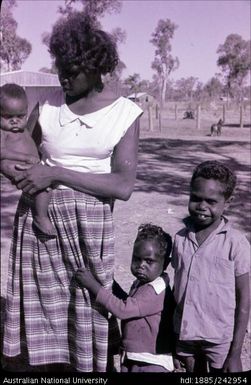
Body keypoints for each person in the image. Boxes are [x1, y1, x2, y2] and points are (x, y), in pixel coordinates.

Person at [2, 12, 143, 372]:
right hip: (40, 224)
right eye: (59, 67)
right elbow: (20, 151)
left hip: (87, 230)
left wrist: (56, 173)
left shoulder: (123, 113)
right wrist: (22, 175)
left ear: (96, 68)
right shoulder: (48, 103)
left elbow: (123, 185)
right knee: (44, 311)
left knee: (85, 309)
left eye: (72, 70)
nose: (62, 76)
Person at [171, 160, 250, 373]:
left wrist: (234, 354)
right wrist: (172, 339)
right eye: (195, 199)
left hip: (220, 340)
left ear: (228, 202)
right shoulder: (179, 239)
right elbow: (176, 290)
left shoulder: (236, 243)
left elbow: (244, 300)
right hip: (185, 334)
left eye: (211, 201)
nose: (202, 207)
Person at [75, 223, 175, 373]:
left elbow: (124, 310)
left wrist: (94, 287)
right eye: (137, 258)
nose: (141, 265)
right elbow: (131, 302)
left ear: (166, 263)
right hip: (136, 356)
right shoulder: (144, 282)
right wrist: (110, 283)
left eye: (149, 261)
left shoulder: (156, 290)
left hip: (151, 361)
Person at [0, 83, 55, 236]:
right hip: (12, 165)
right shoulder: (3, 133)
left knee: (46, 185)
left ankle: (40, 213)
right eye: (8, 117)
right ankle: (40, 216)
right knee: (42, 189)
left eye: (20, 116)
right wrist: (24, 157)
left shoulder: (24, 130)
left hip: (28, 164)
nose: (14, 121)